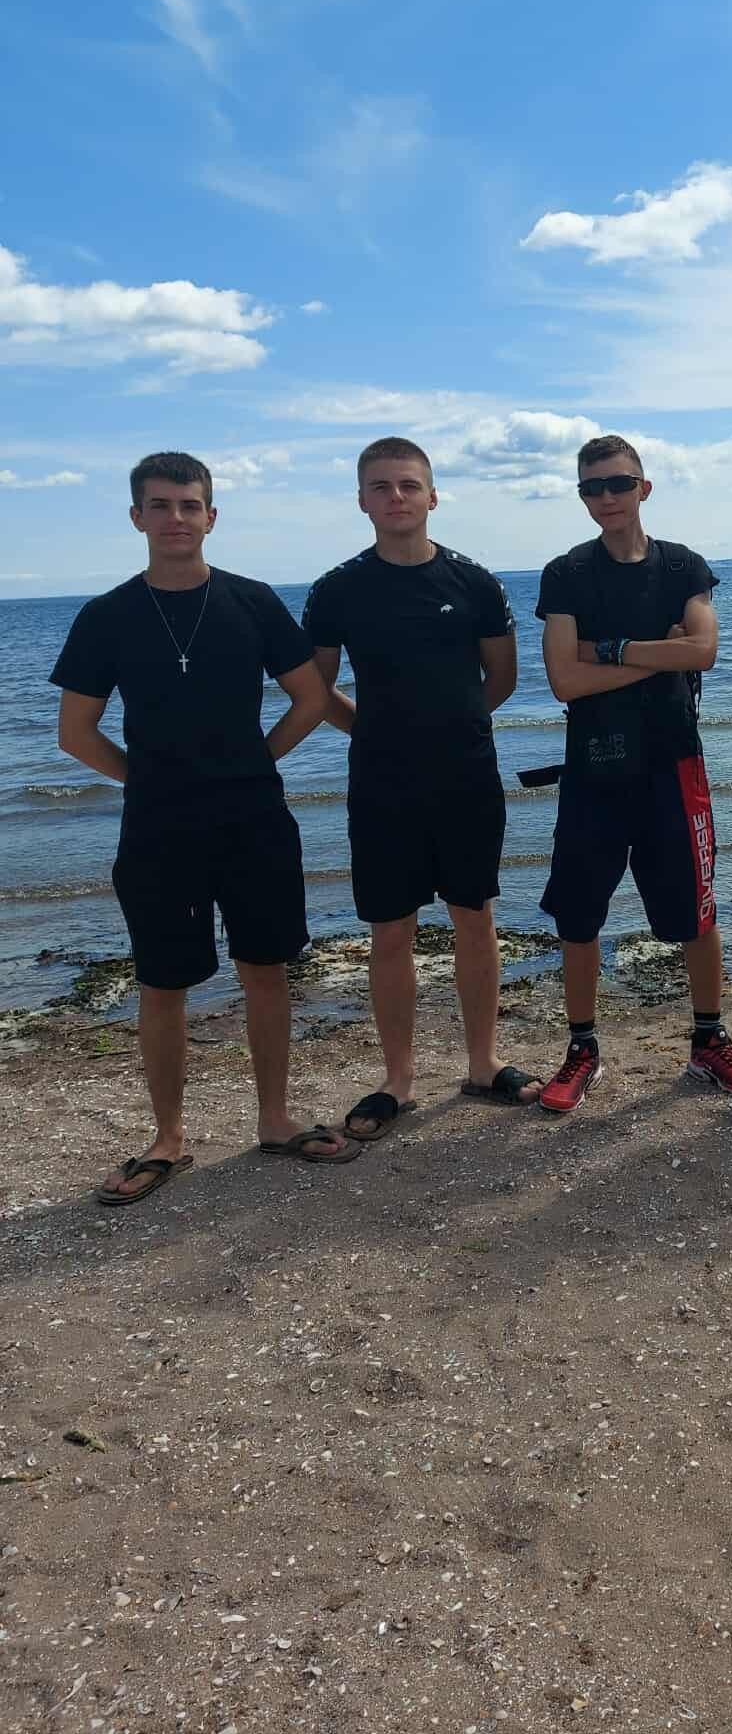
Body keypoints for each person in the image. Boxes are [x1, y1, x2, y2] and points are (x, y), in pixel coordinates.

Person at [51, 452, 358, 1205]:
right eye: (159, 505)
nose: (176, 518)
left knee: (265, 970)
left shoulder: (252, 601)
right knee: (162, 983)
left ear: (211, 517)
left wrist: (256, 759)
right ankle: (168, 1138)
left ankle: (276, 1119)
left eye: (189, 505)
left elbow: (312, 698)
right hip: (158, 829)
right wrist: (147, 779)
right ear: (136, 517)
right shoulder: (107, 615)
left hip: (254, 819)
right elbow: (74, 732)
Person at [303, 437, 535, 1140]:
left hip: (466, 776)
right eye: (381, 486)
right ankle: (398, 1080)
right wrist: (376, 731)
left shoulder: (475, 582)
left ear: (432, 496)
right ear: (362, 501)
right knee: (390, 929)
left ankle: (483, 1063)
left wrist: (452, 727)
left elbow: (501, 678)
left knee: (475, 916)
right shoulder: (337, 589)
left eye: (408, 485)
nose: (396, 497)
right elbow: (315, 689)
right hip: (382, 783)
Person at [534, 434, 732, 1112]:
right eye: (592, 487)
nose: (606, 497)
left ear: (644, 488)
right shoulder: (566, 573)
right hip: (593, 771)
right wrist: (660, 653)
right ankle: (582, 1050)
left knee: (697, 911)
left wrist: (608, 649)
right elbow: (565, 680)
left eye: (618, 483)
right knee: (578, 916)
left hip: (673, 764)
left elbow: (704, 650)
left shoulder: (683, 566)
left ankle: (709, 1040)